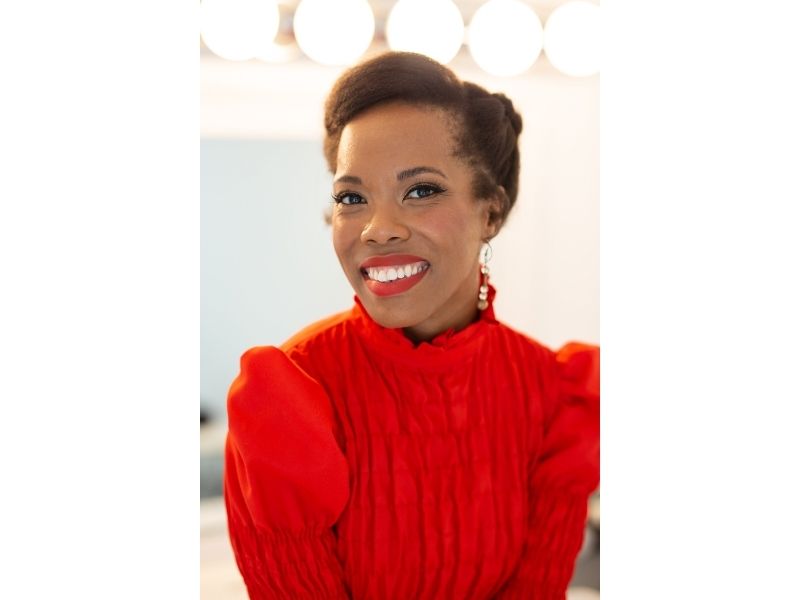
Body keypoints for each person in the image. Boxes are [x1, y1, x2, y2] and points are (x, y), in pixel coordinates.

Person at [223, 51, 599, 599]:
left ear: (490, 213)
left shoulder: (553, 396)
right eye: (352, 197)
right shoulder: (289, 404)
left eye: (420, 190)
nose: (377, 229)